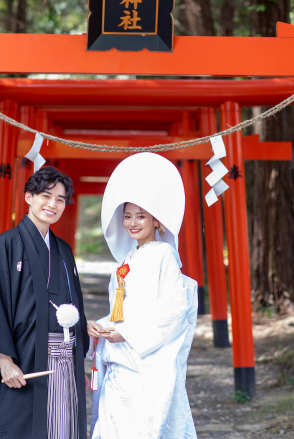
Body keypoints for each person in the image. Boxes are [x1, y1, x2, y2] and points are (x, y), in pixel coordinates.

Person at [87, 152, 198, 439]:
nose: (133, 223)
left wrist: (128, 334)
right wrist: (100, 326)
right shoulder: (126, 260)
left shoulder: (165, 257)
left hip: (145, 363)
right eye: (127, 216)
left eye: (141, 216)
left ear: (156, 221)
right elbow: (120, 312)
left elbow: (175, 310)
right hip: (120, 363)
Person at [0, 166, 89, 439]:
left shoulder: (63, 250)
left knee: (61, 427)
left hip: (62, 360)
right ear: (28, 197)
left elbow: (75, 306)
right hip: (24, 355)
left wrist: (77, 365)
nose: (52, 204)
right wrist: (4, 360)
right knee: (17, 426)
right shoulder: (7, 244)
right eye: (45, 196)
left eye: (60, 199)